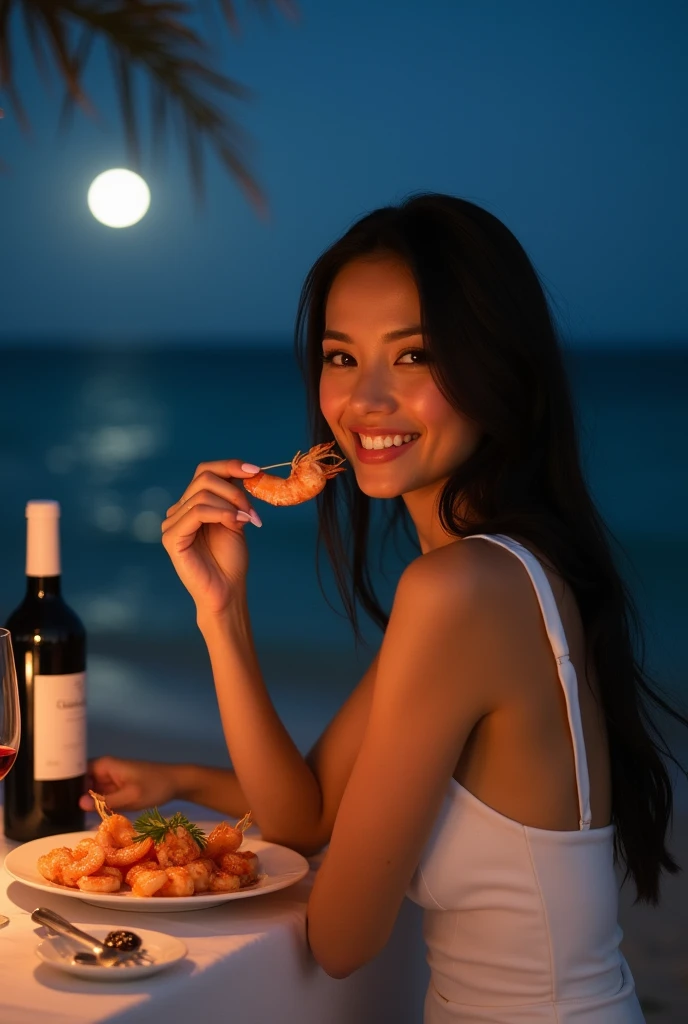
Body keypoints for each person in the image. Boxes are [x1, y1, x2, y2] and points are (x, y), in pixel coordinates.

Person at [81, 193, 687, 1022]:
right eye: (340, 357)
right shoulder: (503, 573)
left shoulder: (462, 590)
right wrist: (220, 615)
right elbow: (306, 817)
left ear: (496, 371)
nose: (364, 400)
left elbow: (341, 940)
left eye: (414, 357)